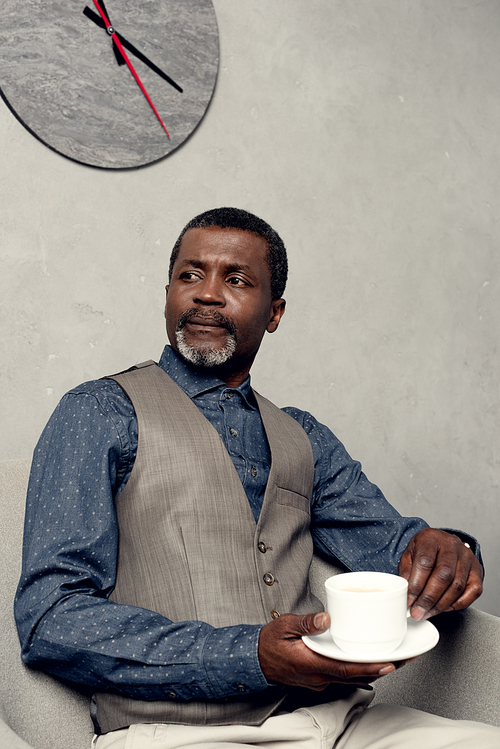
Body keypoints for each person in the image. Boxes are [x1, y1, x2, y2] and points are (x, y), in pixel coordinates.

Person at [15, 207, 499, 748]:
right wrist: (249, 657)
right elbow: (50, 619)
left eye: (237, 280)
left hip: (340, 721)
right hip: (179, 733)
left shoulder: (304, 435)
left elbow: (396, 548)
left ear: (275, 312)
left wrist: (445, 551)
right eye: (190, 275)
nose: (206, 294)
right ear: (169, 292)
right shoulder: (98, 411)